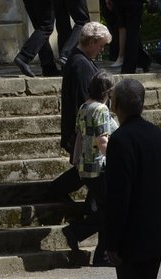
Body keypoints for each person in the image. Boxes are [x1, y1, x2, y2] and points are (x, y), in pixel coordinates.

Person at [104, 78, 161, 278]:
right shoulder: (158, 135)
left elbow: (119, 195)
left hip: (132, 238)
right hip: (157, 232)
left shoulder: (120, 140)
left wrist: (111, 242)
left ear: (116, 104)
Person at [49, 22, 112, 201]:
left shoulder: (79, 60)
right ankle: (57, 191)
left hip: (82, 129)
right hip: (85, 130)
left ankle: (90, 209)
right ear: (91, 42)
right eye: (101, 45)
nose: (101, 49)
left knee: (89, 171)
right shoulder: (81, 64)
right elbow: (86, 100)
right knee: (90, 171)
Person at [61, 70, 117, 266]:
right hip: (98, 167)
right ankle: (76, 231)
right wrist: (116, 162)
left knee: (105, 210)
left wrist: (75, 160)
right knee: (111, 210)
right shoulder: (101, 109)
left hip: (85, 166)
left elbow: (79, 136)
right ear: (108, 92)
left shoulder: (84, 106)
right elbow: (102, 141)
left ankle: (102, 255)